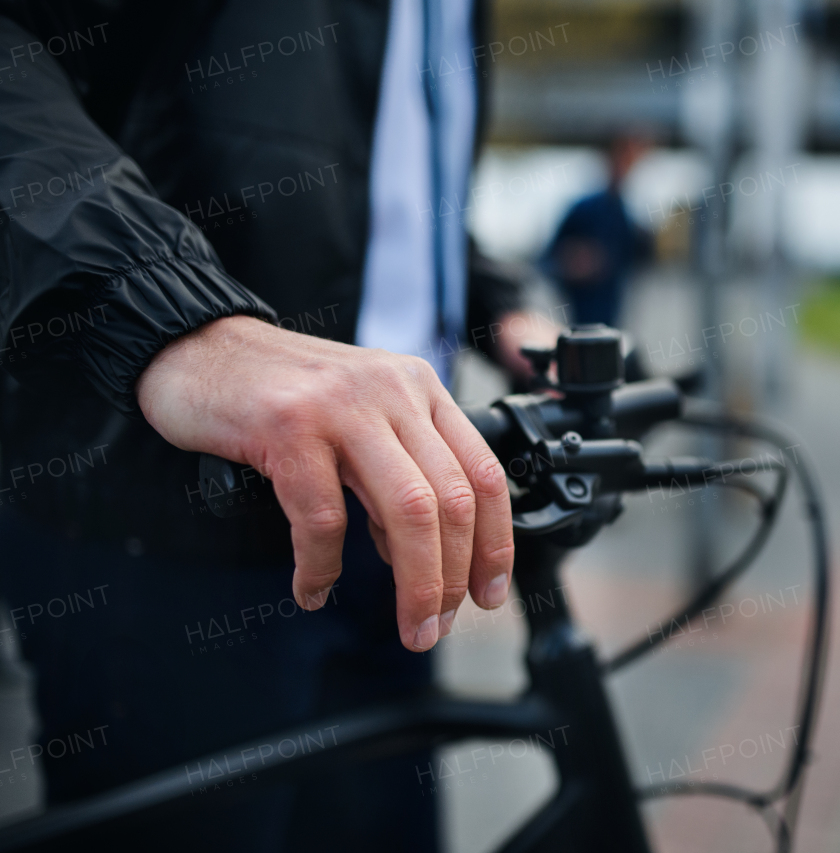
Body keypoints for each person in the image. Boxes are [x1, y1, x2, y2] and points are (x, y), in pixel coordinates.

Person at [0, 1, 545, 848]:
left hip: (393, 496)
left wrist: (495, 302)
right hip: (162, 517)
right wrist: (167, 311)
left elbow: (385, 174)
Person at [543, 134, 654, 328]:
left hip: (613, 321)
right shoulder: (583, 209)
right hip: (578, 320)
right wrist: (575, 262)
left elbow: (643, 260)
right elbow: (548, 260)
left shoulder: (627, 216)